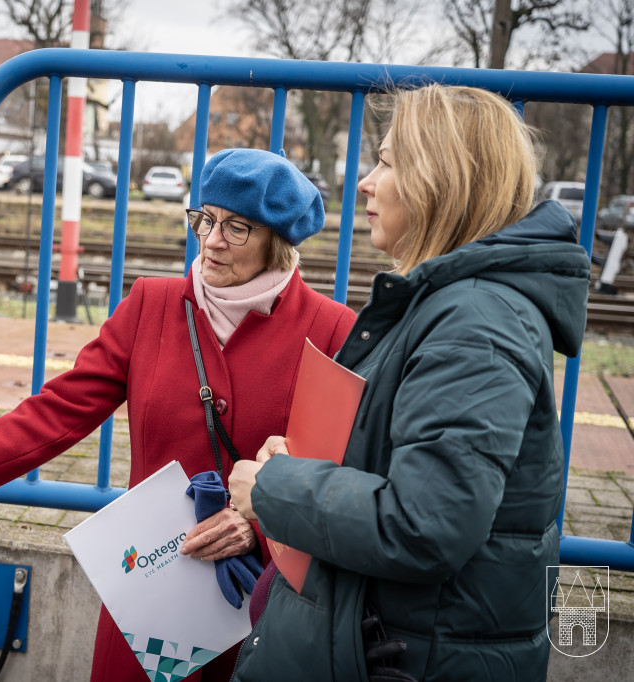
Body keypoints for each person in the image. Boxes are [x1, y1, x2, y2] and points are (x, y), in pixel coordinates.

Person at [0, 147, 357, 681]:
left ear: (277, 243)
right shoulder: (152, 305)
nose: (211, 240)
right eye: (205, 219)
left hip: (263, 600)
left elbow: (335, 475)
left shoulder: (331, 330)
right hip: (155, 595)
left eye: (237, 228)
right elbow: (57, 411)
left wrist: (261, 522)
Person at [227, 84, 591, 681]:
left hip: (406, 657)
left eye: (388, 163)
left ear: (441, 179)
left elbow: (427, 525)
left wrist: (276, 489)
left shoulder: (476, 324)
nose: (366, 182)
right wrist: (301, 462)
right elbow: (409, 464)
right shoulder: (452, 306)